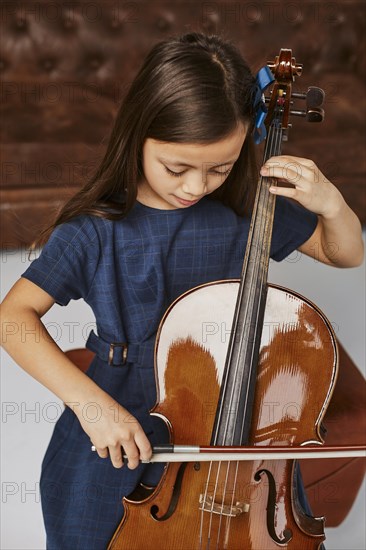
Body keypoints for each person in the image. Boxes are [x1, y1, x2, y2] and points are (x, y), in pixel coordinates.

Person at [0, 32, 363, 550]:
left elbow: (344, 252)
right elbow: (13, 317)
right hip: (121, 407)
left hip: (230, 416)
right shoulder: (96, 230)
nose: (197, 187)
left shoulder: (245, 212)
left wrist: (332, 205)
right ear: (138, 135)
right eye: (177, 168)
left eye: (220, 167)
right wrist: (90, 405)